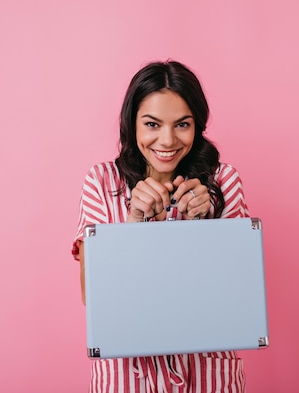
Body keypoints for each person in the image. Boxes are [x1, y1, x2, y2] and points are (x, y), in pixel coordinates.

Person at [71, 60, 250, 393]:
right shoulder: (101, 182)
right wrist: (133, 222)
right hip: (128, 379)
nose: (167, 140)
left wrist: (204, 224)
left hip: (207, 377)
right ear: (132, 124)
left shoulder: (224, 182)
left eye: (182, 124)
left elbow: (238, 295)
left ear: (197, 126)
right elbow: (92, 296)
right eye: (152, 124)